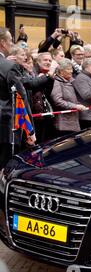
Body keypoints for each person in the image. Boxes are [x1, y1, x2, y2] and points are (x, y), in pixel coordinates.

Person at [0, 28, 35, 169]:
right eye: (10, 41)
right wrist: (30, 130)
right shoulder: (9, 66)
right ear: (3, 43)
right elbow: (21, 97)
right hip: (5, 127)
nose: (11, 44)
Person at [50, 58, 87, 137]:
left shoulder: (72, 81)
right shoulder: (57, 82)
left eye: (71, 69)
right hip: (64, 124)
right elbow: (57, 101)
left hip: (74, 121)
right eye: (68, 69)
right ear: (61, 71)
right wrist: (75, 106)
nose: (71, 71)